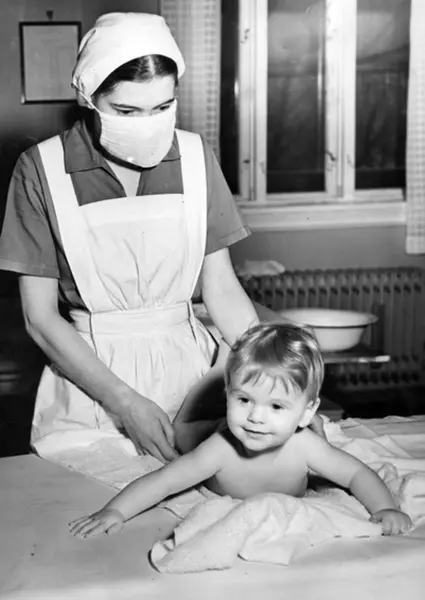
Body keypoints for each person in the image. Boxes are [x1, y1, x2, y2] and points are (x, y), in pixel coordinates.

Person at [0, 12, 260, 463]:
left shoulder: (196, 158)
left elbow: (221, 288)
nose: (147, 124)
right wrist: (125, 403)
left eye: (162, 107)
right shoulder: (41, 170)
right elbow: (39, 318)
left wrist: (273, 378)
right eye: (125, 111)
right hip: (92, 383)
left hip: (193, 378)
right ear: (88, 97)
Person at [69, 323, 412, 539]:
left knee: (323, 454)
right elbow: (164, 481)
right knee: (184, 437)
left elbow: (357, 474)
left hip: (294, 438)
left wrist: (384, 508)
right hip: (214, 435)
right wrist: (115, 511)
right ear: (228, 395)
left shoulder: (305, 446)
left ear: (307, 411)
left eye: (276, 406)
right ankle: (200, 410)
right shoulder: (219, 449)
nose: (256, 418)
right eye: (244, 400)